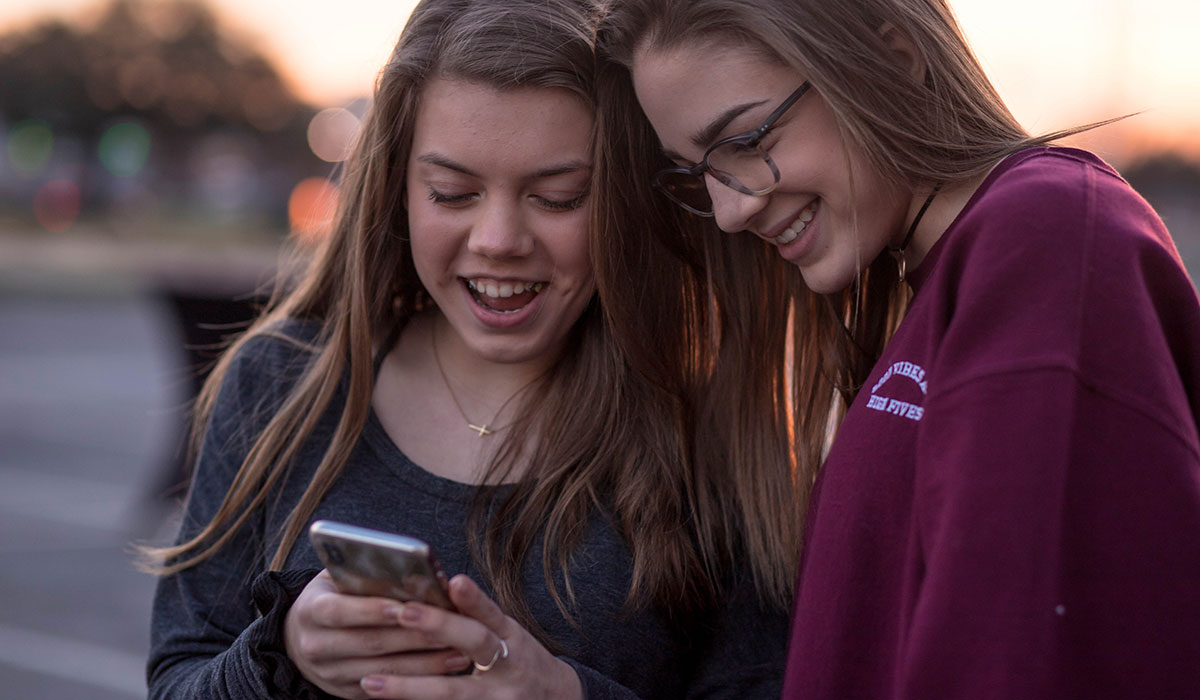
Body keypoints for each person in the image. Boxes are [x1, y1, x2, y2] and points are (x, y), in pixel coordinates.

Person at [141, 1, 798, 698]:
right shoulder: (280, 384)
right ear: (397, 188)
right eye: (453, 193)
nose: (498, 239)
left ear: (629, 198)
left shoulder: (711, 427)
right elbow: (178, 679)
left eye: (559, 196)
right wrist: (280, 653)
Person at [591, 0, 1200, 697]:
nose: (730, 212)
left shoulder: (1044, 241)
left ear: (893, 60)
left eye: (746, 140)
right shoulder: (945, 284)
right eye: (698, 173)